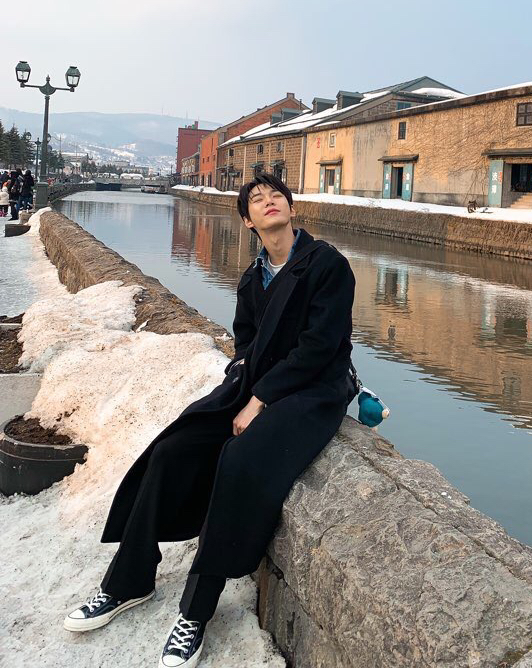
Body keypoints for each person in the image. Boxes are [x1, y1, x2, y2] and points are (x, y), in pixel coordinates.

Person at [63, 173, 357, 668]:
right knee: (175, 446)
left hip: (313, 390)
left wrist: (260, 399)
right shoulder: (251, 278)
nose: (269, 203)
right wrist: (243, 385)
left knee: (239, 460)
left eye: (276, 196)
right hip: (258, 383)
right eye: (257, 200)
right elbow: (245, 343)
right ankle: (128, 580)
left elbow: (320, 346)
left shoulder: (326, 264)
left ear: (291, 207)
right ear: (246, 220)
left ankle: (196, 611)